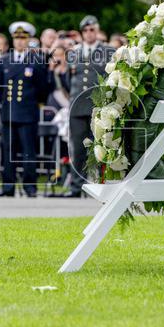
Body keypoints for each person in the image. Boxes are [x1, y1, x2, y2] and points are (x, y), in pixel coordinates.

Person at [0, 21, 51, 197]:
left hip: (27, 111)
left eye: (23, 38)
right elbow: (0, 88)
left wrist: (35, 103)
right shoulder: (5, 60)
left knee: (28, 152)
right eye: (17, 38)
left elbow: (43, 88)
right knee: (8, 151)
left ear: (28, 39)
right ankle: (8, 187)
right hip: (9, 111)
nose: (19, 42)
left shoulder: (37, 61)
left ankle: (30, 186)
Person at [60, 15, 114, 197]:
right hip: (77, 106)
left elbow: (111, 79)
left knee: (98, 148)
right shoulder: (73, 53)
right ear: (82, 32)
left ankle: (99, 186)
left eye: (92, 30)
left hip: (96, 107)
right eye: (85, 30)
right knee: (77, 149)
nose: (89, 33)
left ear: (97, 31)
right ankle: (76, 187)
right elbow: (68, 80)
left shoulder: (108, 52)